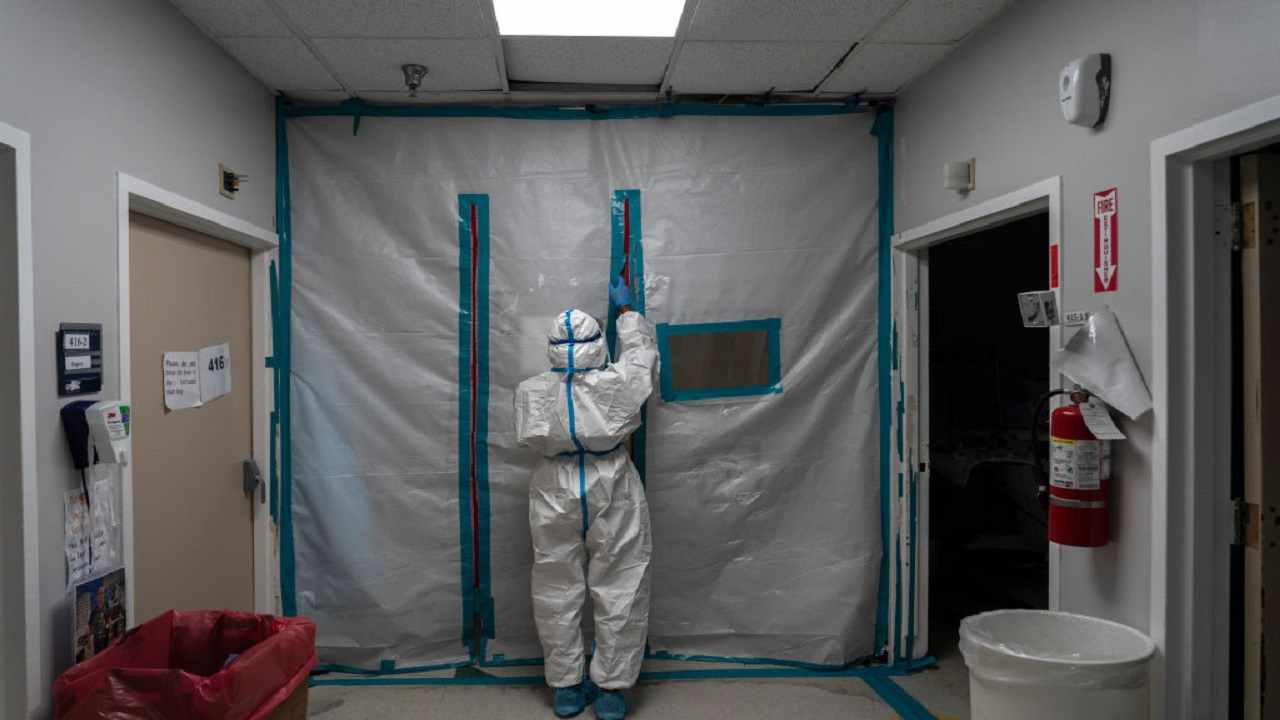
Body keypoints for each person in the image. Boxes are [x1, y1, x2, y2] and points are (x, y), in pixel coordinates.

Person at [514, 275, 659, 720]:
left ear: (551, 347)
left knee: (556, 584)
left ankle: (566, 686)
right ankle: (612, 689)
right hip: (610, 478)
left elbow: (527, 436)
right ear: (598, 345)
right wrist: (626, 313)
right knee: (621, 582)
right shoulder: (618, 382)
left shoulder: (531, 390)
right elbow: (642, 356)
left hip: (554, 485)